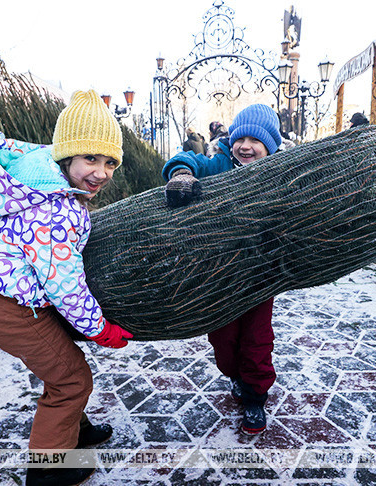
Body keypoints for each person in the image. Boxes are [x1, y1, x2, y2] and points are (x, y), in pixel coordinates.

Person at [0, 89, 133, 486]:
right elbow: (64, 283)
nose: (102, 172)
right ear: (67, 154)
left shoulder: (36, 179)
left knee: (61, 363)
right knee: (72, 379)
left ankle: (74, 431)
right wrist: (98, 327)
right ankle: (49, 472)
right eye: (91, 158)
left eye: (110, 162)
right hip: (11, 307)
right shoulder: (56, 208)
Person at [162, 104, 283, 435]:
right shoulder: (218, 166)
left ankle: (255, 395)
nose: (245, 146)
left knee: (257, 340)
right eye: (239, 138)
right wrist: (183, 174)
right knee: (223, 339)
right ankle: (235, 375)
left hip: (260, 276)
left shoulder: (279, 176)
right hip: (218, 276)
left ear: (270, 146)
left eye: (255, 141)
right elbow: (187, 160)